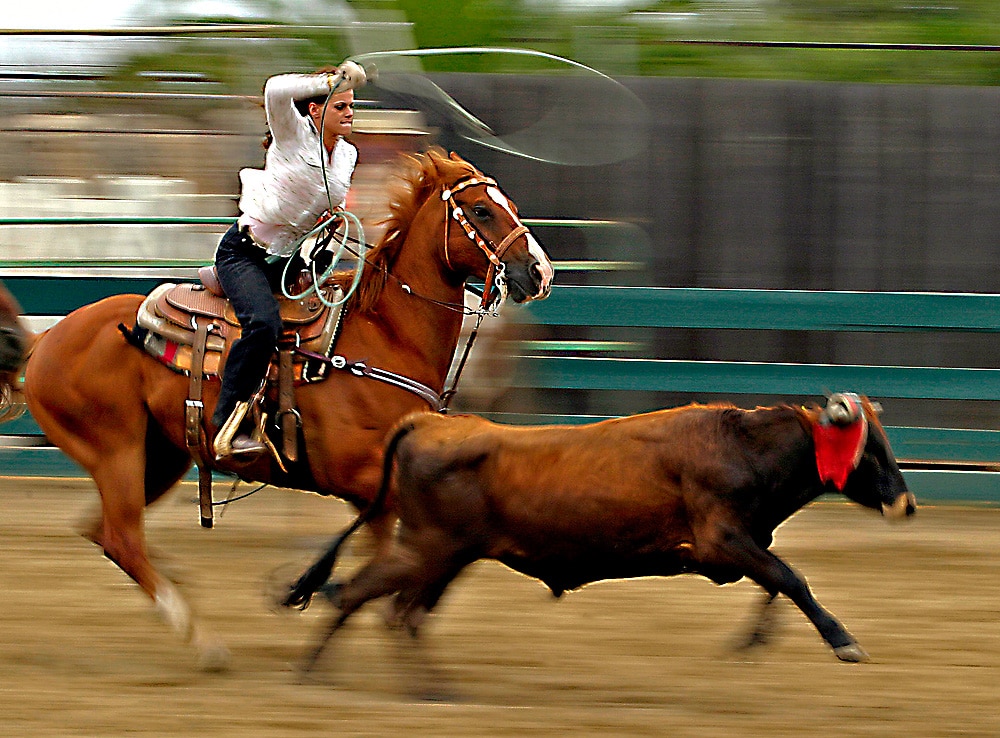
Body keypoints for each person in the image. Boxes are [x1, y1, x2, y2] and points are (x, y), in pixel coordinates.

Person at [212, 61, 367, 460]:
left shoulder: (347, 155)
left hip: (294, 259)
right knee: (262, 324)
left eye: (351, 106)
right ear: (316, 110)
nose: (349, 114)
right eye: (340, 106)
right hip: (246, 254)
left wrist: (325, 250)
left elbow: (330, 211)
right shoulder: (292, 131)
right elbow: (275, 91)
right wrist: (328, 82)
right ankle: (228, 420)